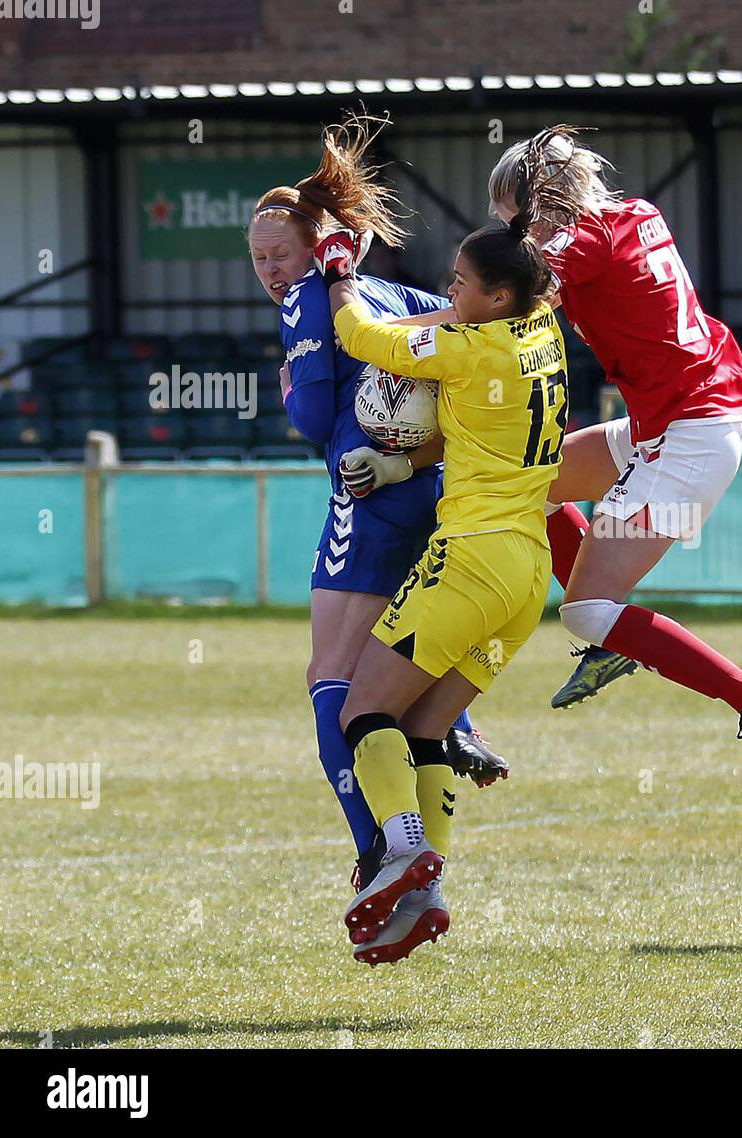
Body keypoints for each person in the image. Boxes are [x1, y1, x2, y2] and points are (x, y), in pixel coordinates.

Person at [316, 152, 571, 965]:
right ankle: (422, 890)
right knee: (426, 727)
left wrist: (338, 272)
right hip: (530, 576)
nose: (448, 293)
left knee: (363, 713)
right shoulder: (540, 330)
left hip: (471, 559)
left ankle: (401, 849)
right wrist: (407, 460)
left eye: (460, 285)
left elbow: (358, 334)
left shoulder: (471, 349)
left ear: (497, 297)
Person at [247, 113, 508, 901]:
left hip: (365, 500)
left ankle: (382, 852)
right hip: (431, 495)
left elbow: (317, 417)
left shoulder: (307, 300)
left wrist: (292, 391)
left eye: (280, 254)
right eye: (257, 258)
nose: (269, 270)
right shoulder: (406, 293)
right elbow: (465, 332)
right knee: (400, 676)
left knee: (331, 673)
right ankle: (448, 767)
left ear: (318, 250)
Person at [489, 126, 742, 790]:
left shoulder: (578, 243)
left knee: (587, 607)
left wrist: (396, 333)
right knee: (526, 488)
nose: (515, 241)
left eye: (514, 224)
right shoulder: (637, 214)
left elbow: (502, 304)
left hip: (691, 434)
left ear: (543, 205)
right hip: (680, 417)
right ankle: (611, 640)